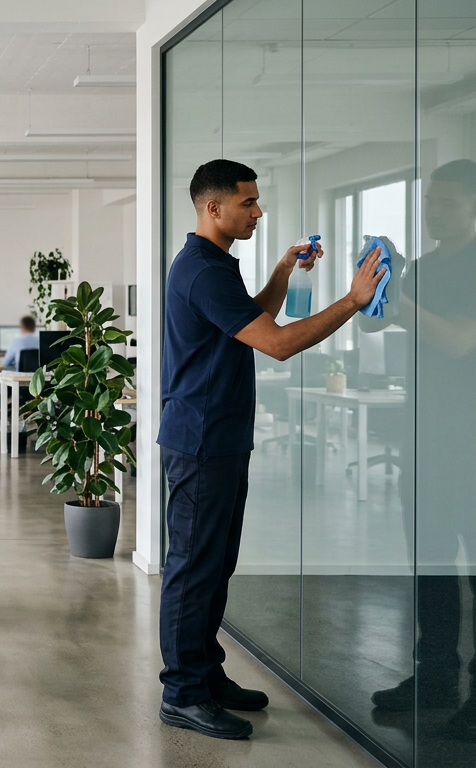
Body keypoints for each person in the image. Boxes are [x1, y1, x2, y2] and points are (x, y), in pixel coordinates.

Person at [157, 159, 384, 740]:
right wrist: (353, 301)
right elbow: (278, 344)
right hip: (202, 442)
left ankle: (205, 675)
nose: (258, 212)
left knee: (216, 565)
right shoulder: (203, 270)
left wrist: (284, 268)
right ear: (214, 208)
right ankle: (182, 693)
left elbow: (256, 317)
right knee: (193, 569)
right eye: (249, 203)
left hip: (221, 438)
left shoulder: (214, 266)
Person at [370, 159, 476, 738]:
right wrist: (377, 281)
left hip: (471, 441)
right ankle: (435, 676)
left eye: (448, 203)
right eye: (431, 200)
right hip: (426, 435)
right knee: (432, 568)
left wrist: (395, 297)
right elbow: (374, 322)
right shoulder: (426, 265)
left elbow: (460, 341)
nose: (434, 210)